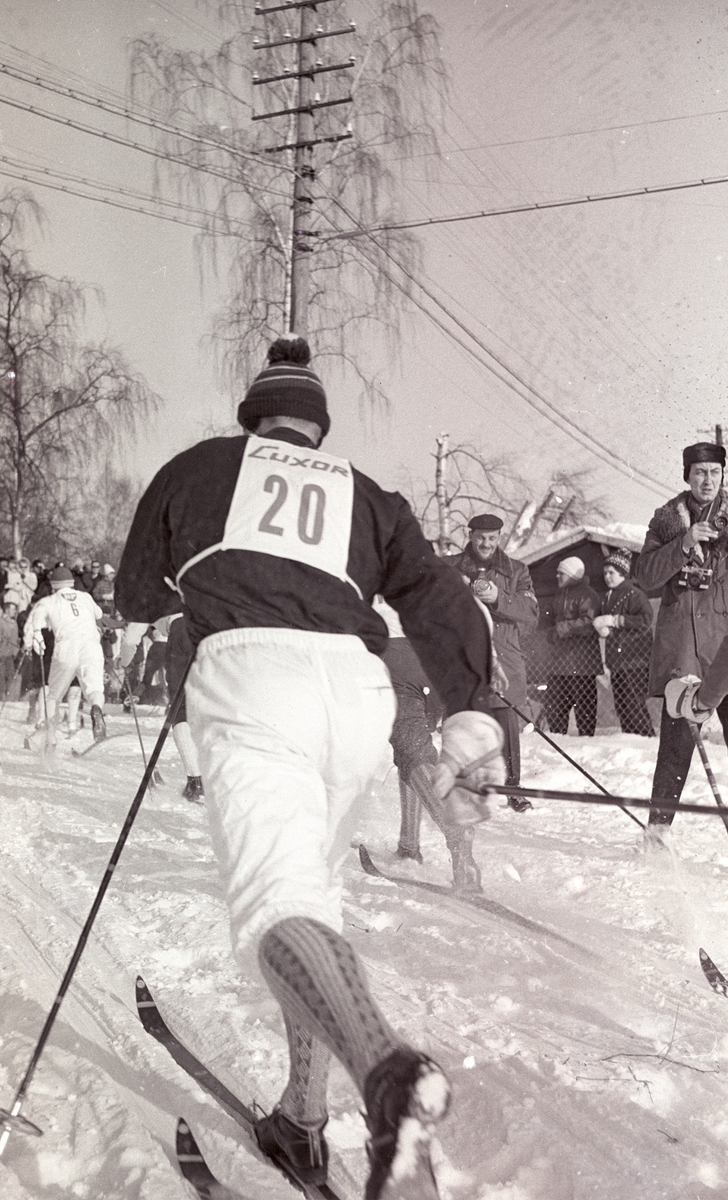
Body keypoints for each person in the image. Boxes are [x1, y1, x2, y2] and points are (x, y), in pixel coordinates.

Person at [115, 335, 501, 1200]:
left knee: (276, 911)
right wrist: (471, 702)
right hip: (355, 696)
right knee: (314, 911)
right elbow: (438, 596)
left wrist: (208, 577)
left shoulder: (200, 465)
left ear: (252, 418)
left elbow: (135, 594)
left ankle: (387, 1078)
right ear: (316, 431)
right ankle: (300, 1116)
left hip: (255, 682)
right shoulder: (366, 491)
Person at [635, 441, 728, 864]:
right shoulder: (665, 521)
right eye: (699, 472)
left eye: (714, 472)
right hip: (688, 655)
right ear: (687, 476)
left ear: (722, 475)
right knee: (676, 748)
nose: (707, 480)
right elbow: (643, 577)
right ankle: (658, 833)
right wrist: (683, 543)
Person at [373, 596, 482, 891]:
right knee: (412, 752)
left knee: (413, 752)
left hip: (394, 659)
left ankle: (455, 833)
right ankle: (409, 844)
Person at [446, 512, 538, 811]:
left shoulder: (517, 570)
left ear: (499, 538)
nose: (486, 544)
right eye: (481, 538)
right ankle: (467, 785)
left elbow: (531, 613)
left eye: (492, 538)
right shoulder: (450, 566)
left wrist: (499, 597)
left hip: (505, 658)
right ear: (470, 536)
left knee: (506, 724)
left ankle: (512, 788)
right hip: (464, 658)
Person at [22, 565, 107, 742]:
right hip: (91, 646)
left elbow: (35, 619)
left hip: (66, 648)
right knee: (94, 689)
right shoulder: (85, 597)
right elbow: (99, 614)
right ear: (72, 583)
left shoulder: (49, 601)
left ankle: (50, 737)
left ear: (54, 585)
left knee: (54, 695)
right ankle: (97, 709)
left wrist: (34, 637)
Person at [593, 548, 655, 737]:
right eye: (605, 573)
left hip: (635, 659)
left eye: (611, 572)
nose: (607, 577)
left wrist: (615, 620)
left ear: (622, 572)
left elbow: (646, 619)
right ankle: (631, 742)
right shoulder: (609, 595)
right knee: (622, 706)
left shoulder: (634, 594)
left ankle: (647, 739)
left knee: (633, 704)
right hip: (618, 660)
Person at [541, 557, 602, 736]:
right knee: (555, 709)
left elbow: (589, 622)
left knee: (585, 712)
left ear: (571, 575)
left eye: (562, 573)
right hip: (559, 664)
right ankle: (558, 742)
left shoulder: (587, 595)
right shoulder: (559, 595)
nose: (557, 575)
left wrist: (560, 628)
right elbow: (550, 619)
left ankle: (586, 744)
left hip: (583, 665)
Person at [0, 600, 21, 701]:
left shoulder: (14, 623)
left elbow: (15, 640)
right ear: (7, 610)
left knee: (11, 676)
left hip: (10, 655)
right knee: (0, 677)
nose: (15, 611)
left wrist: (15, 652)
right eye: (13, 609)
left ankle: (9, 698)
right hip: (1, 655)